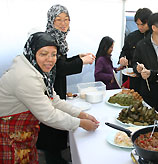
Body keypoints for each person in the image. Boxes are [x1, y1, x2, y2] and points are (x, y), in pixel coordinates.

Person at [0, 32, 99, 163]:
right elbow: (49, 115)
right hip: (9, 133)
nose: (50, 59)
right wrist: (80, 123)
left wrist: (81, 114)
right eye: (43, 54)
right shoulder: (25, 77)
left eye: (53, 54)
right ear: (33, 52)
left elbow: (54, 101)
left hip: (24, 132)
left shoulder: (36, 69)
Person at [36, 4, 95, 164]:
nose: (63, 23)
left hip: (56, 88)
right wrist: (81, 62)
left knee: (57, 124)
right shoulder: (49, 40)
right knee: (52, 126)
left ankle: (56, 157)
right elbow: (60, 68)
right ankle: (53, 159)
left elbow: (60, 62)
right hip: (48, 90)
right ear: (51, 21)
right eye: (58, 20)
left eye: (66, 19)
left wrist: (77, 57)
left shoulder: (58, 38)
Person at [132, 12, 158, 113]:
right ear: (154, 28)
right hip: (149, 90)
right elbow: (135, 62)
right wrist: (137, 68)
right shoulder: (142, 44)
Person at [119, 8, 152, 91]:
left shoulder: (155, 37)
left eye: (143, 24)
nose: (140, 27)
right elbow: (124, 52)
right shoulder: (132, 37)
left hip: (151, 80)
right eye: (137, 24)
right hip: (134, 79)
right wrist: (122, 59)